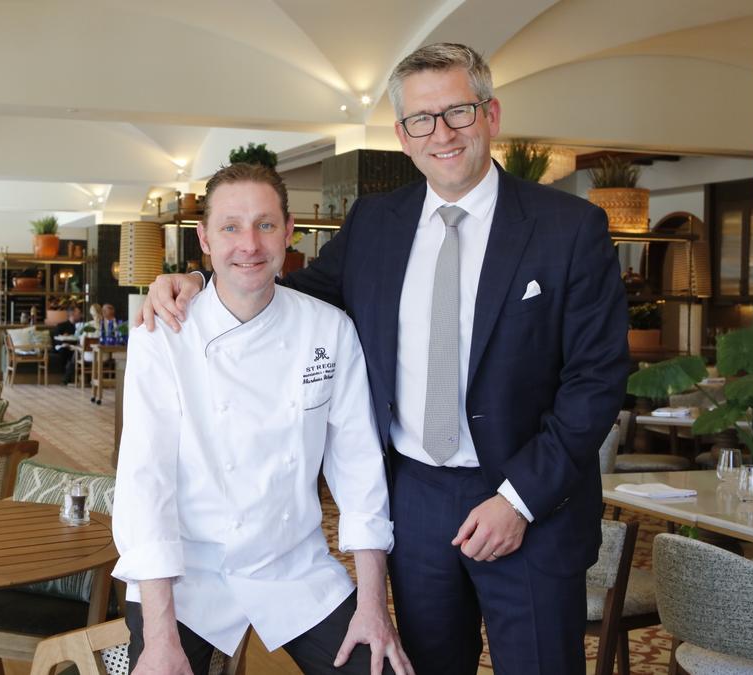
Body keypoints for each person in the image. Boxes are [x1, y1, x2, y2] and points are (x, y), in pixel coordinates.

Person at [139, 43, 629, 674]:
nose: (442, 133)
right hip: (416, 500)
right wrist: (194, 284)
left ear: (491, 115)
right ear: (402, 135)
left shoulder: (569, 228)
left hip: (528, 504)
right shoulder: (376, 222)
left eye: (458, 112)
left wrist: (519, 499)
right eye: (422, 119)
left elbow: (596, 383)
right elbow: (286, 295)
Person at [113, 163, 412, 675]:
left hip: (293, 565)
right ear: (204, 239)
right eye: (230, 227)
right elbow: (145, 484)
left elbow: (360, 470)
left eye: (265, 225)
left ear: (289, 232)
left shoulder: (329, 329)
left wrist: (372, 607)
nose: (248, 244)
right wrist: (160, 638)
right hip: (186, 574)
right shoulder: (161, 335)